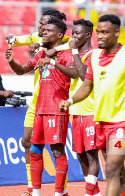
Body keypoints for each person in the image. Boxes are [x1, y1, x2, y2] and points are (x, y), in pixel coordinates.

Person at [59, 14, 125, 196]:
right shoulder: (94, 57)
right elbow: (87, 86)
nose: (100, 36)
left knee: (111, 169)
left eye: (105, 32)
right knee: (119, 176)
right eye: (98, 32)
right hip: (101, 123)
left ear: (117, 32)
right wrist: (70, 101)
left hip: (123, 124)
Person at [5, 17, 76, 196]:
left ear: (60, 34)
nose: (43, 33)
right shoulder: (41, 54)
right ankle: (35, 191)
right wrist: (11, 61)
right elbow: (22, 70)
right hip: (39, 109)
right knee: (35, 148)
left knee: (57, 150)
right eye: (43, 31)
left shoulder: (67, 54)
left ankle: (60, 192)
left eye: (48, 31)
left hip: (56, 110)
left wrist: (53, 62)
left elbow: (76, 74)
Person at [67, 19, 101, 196]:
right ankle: (94, 193)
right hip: (76, 112)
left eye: (77, 33)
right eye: (72, 33)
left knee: (91, 154)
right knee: (80, 155)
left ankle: (89, 193)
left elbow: (83, 76)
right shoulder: (76, 55)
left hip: (91, 111)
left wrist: (73, 51)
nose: (73, 37)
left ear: (88, 35)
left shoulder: (95, 54)